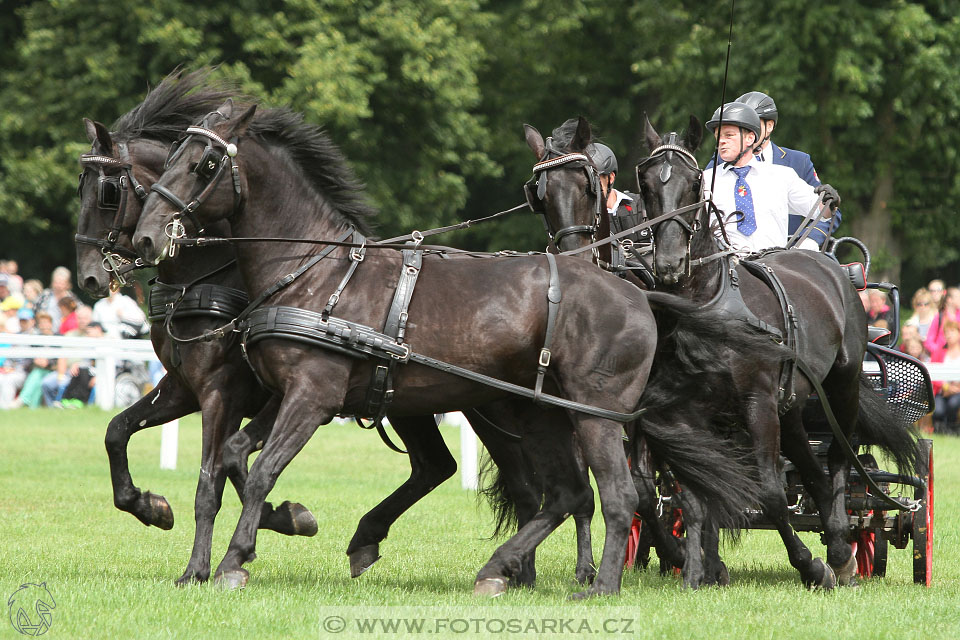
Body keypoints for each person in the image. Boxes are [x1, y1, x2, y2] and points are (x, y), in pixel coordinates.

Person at [704, 101, 840, 254]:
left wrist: (828, 200)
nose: (721, 140)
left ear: (750, 139)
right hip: (725, 268)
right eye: (718, 136)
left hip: (772, 266)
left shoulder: (782, 176)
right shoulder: (705, 180)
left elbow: (821, 213)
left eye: (729, 135)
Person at [931, 319, 960, 433]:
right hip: (942, 390)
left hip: (958, 390)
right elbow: (932, 373)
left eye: (952, 331)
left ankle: (952, 431)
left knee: (953, 404)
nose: (949, 335)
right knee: (938, 410)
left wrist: (956, 388)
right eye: (946, 332)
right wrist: (946, 387)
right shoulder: (939, 352)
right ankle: (939, 431)